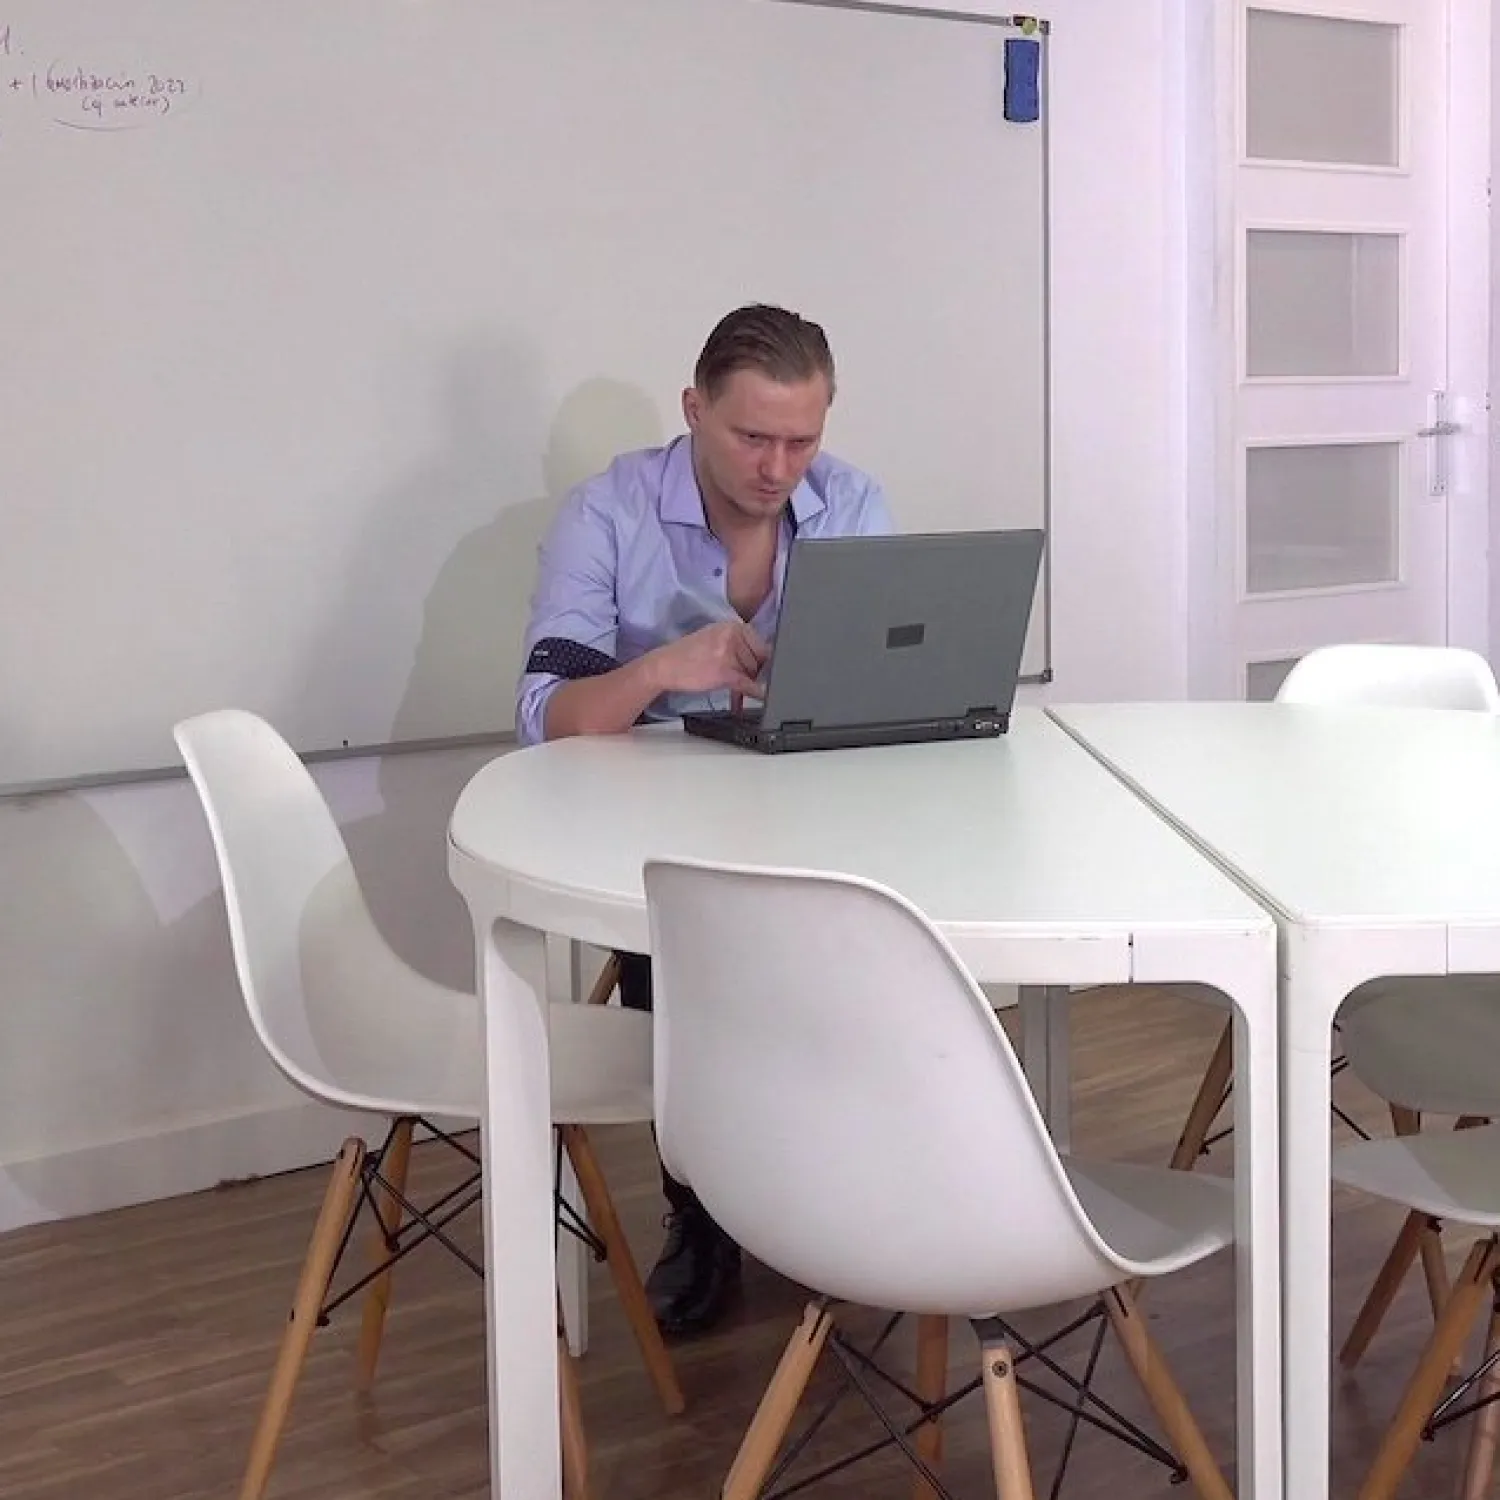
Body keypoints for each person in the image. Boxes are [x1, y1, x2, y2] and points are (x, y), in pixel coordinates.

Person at [515, 303, 893, 1336]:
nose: (779, 468)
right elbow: (546, 716)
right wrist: (660, 670)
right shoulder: (609, 512)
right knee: (686, 935)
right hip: (657, 835)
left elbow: (885, 685)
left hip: (816, 819)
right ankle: (707, 1212)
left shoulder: (853, 504)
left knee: (882, 928)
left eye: (802, 440)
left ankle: (840, 1191)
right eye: (752, 437)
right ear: (693, 410)